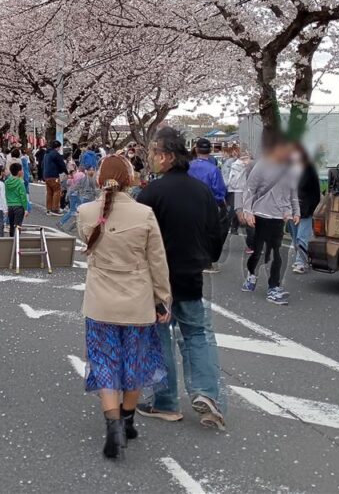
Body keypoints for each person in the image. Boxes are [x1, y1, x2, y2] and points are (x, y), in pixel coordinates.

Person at [77, 155, 171, 459]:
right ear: (129, 179)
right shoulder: (144, 214)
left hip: (100, 302)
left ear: (100, 179)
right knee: (136, 362)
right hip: (137, 301)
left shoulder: (85, 212)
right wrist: (162, 299)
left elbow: (89, 243)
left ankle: (113, 425)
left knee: (104, 362)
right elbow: (157, 261)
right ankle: (128, 418)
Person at [135, 127, 226, 430]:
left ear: (165, 156)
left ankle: (165, 402)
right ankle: (207, 394)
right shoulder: (201, 191)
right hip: (192, 276)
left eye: (153, 153)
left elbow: (139, 239)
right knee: (197, 335)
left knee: (160, 339)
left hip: (159, 281)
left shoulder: (151, 193)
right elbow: (216, 232)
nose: (151, 158)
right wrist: (205, 257)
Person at [241, 137, 299, 304]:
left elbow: (293, 193)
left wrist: (296, 212)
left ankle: (273, 287)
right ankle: (251, 275)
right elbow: (250, 188)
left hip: (279, 216)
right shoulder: (262, 165)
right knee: (258, 252)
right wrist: (247, 211)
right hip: (261, 214)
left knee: (275, 252)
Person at [189, 138, 229, 272]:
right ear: (210, 151)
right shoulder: (213, 169)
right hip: (208, 205)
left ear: (196, 149)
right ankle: (206, 262)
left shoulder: (188, 166)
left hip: (189, 203)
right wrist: (221, 202)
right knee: (209, 233)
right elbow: (219, 190)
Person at [290, 144, 321, 274]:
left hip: (305, 208)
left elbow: (311, 192)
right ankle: (303, 259)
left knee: (301, 236)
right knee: (295, 235)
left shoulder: (308, 170)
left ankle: (300, 262)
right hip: (293, 208)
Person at [59, 164, 99, 231]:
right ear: (87, 171)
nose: (92, 171)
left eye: (93, 170)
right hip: (85, 198)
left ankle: (73, 225)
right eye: (90, 170)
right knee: (78, 212)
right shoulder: (86, 178)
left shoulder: (91, 178)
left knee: (79, 213)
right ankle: (69, 224)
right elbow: (78, 186)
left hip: (86, 198)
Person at [42, 140, 67, 215]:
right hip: (54, 175)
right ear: (58, 147)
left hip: (46, 175)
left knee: (49, 192)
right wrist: (66, 172)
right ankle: (55, 209)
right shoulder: (56, 154)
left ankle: (48, 209)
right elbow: (62, 164)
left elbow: (42, 165)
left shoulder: (46, 154)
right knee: (57, 191)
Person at [5, 162, 28, 236]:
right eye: (21, 170)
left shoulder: (7, 182)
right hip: (19, 206)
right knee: (17, 226)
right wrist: (25, 208)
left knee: (11, 226)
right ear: (19, 172)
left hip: (9, 205)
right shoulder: (20, 182)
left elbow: (5, 194)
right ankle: (16, 243)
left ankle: (11, 241)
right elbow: (23, 196)